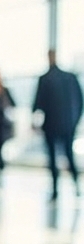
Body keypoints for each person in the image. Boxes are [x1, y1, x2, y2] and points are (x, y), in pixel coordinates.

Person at [33, 49, 84, 200]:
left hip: (52, 125)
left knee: (53, 158)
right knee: (68, 156)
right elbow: (81, 102)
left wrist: (35, 122)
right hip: (68, 125)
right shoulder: (70, 77)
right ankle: (76, 187)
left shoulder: (45, 79)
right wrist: (74, 121)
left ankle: (56, 190)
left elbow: (37, 104)